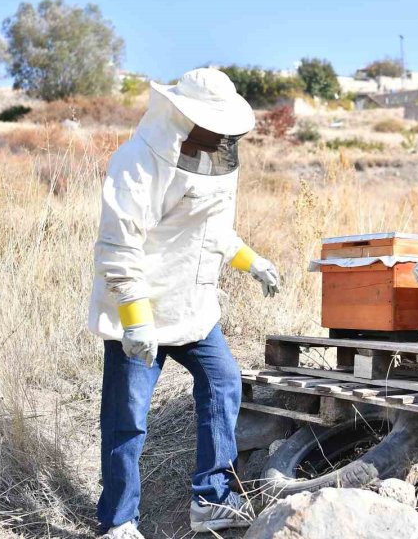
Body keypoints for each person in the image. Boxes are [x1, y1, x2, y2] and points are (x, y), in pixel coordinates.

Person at [88, 68, 279, 538]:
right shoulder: (136, 162)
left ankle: (212, 498)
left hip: (193, 308)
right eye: (212, 127)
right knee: (127, 418)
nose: (221, 138)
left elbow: (212, 230)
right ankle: (118, 522)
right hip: (140, 312)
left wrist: (251, 261)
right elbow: (118, 246)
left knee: (223, 383)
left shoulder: (215, 161)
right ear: (183, 119)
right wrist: (136, 320)